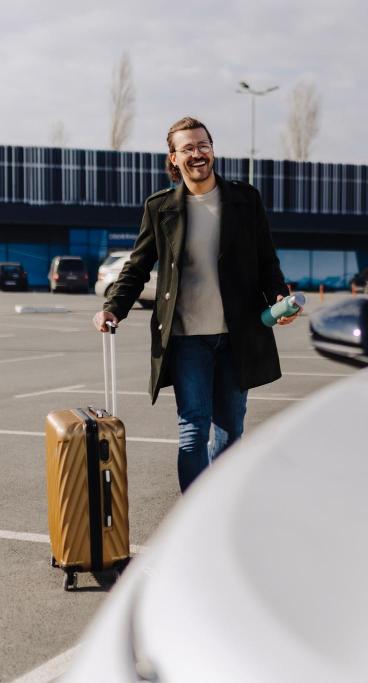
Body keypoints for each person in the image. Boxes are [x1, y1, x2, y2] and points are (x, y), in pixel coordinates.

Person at [93, 116, 299, 492]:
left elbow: (266, 259)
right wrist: (113, 307)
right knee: (192, 428)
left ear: (213, 149)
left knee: (230, 429)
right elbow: (137, 266)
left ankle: (216, 502)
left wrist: (279, 298)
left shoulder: (244, 199)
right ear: (173, 159)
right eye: (187, 148)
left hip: (237, 337)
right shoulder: (161, 208)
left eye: (203, 145)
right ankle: (192, 510)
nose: (197, 153)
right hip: (187, 339)